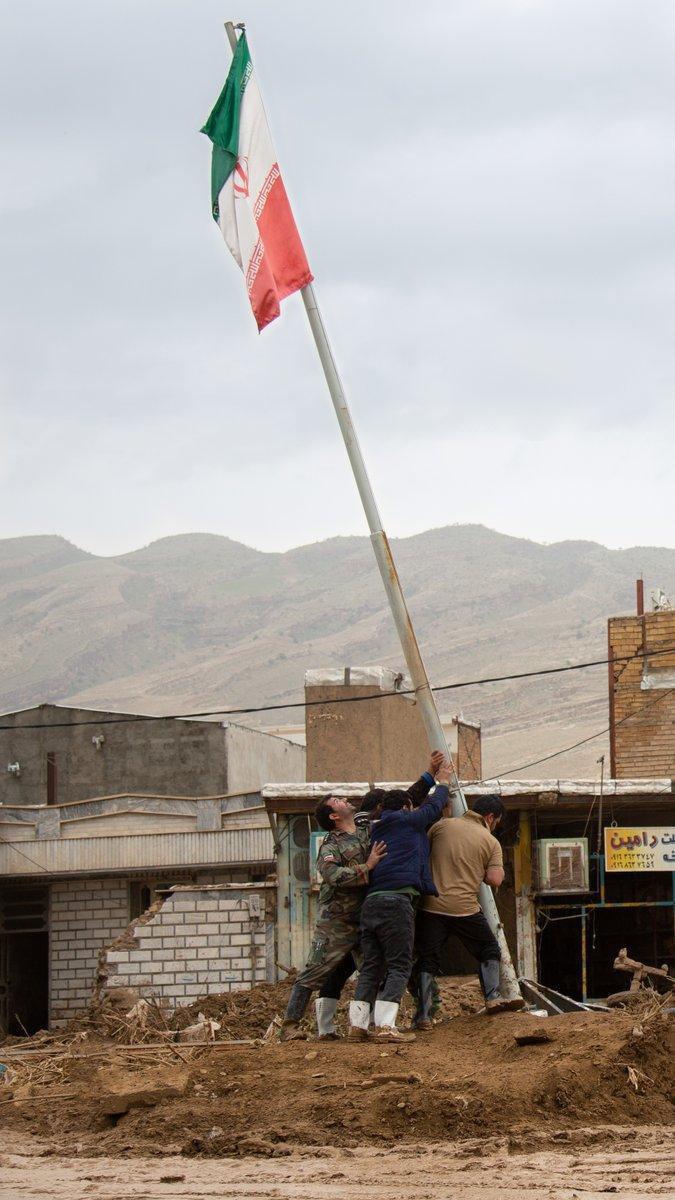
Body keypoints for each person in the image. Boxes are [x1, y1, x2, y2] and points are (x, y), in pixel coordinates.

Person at [280, 754, 446, 1042]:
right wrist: (366, 867)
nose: (346, 801)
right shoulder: (331, 846)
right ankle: (291, 1024)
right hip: (336, 921)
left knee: (373, 969)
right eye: (339, 801)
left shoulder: (366, 829)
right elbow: (331, 875)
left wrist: (430, 776)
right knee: (316, 971)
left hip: (367, 916)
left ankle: (371, 1025)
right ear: (333, 816)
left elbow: (402, 800)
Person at [348, 758, 453, 1043]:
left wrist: (429, 776)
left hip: (372, 903)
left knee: (371, 965)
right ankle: (385, 1026)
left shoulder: (376, 826)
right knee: (400, 964)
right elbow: (432, 807)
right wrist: (442, 782)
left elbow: (415, 802)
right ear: (407, 808)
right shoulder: (409, 820)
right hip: (397, 902)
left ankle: (358, 1025)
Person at [413, 794, 525, 1021]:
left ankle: (424, 1015)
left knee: (428, 959)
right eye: (497, 822)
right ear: (490, 817)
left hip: (431, 906)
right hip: (465, 909)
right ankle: (493, 997)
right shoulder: (490, 841)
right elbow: (494, 880)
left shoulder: (441, 826)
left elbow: (422, 854)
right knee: (489, 949)